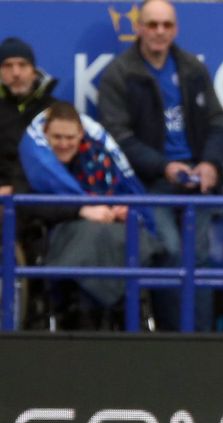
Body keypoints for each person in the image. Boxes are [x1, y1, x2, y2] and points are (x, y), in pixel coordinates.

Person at [98, 0, 223, 331]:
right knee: (169, 253)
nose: (159, 32)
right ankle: (173, 341)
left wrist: (210, 164)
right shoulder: (119, 74)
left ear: (175, 29)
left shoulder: (191, 69)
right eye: (152, 24)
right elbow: (119, 138)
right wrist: (164, 166)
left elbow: (216, 121)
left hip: (197, 180)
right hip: (147, 184)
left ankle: (202, 341)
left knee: (198, 259)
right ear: (138, 27)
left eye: (166, 25)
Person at [17, 101, 163, 329]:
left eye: (70, 138)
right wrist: (81, 210)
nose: (64, 144)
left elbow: (120, 194)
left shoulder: (99, 160)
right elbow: (31, 206)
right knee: (91, 238)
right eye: (57, 137)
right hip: (62, 238)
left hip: (111, 236)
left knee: (128, 238)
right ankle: (88, 320)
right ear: (45, 135)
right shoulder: (33, 166)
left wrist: (121, 210)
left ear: (81, 135)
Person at [0, 37, 57, 196]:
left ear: (34, 70)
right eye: (7, 65)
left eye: (22, 64)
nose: (16, 73)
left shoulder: (53, 109)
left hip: (46, 196)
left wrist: (17, 189)